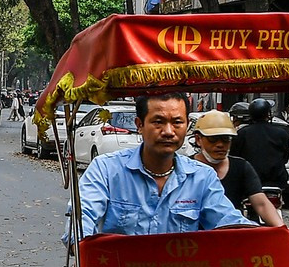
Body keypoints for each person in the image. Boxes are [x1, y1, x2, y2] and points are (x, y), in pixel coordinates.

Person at [75, 92, 247, 238]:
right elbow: (82, 218)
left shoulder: (202, 177)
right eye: (158, 122)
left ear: (187, 125)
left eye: (177, 122)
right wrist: (82, 247)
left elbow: (229, 222)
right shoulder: (106, 170)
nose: (168, 132)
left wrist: (265, 239)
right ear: (140, 125)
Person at [190, 111, 283, 226]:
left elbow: (261, 203)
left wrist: (282, 230)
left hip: (231, 233)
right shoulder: (186, 169)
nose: (220, 144)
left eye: (225, 139)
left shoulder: (241, 167)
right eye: (213, 139)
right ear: (198, 139)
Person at [233, 98, 289, 199]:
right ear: (268, 114)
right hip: (276, 181)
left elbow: (236, 157)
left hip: (249, 181)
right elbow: (285, 158)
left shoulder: (242, 133)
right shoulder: (281, 133)